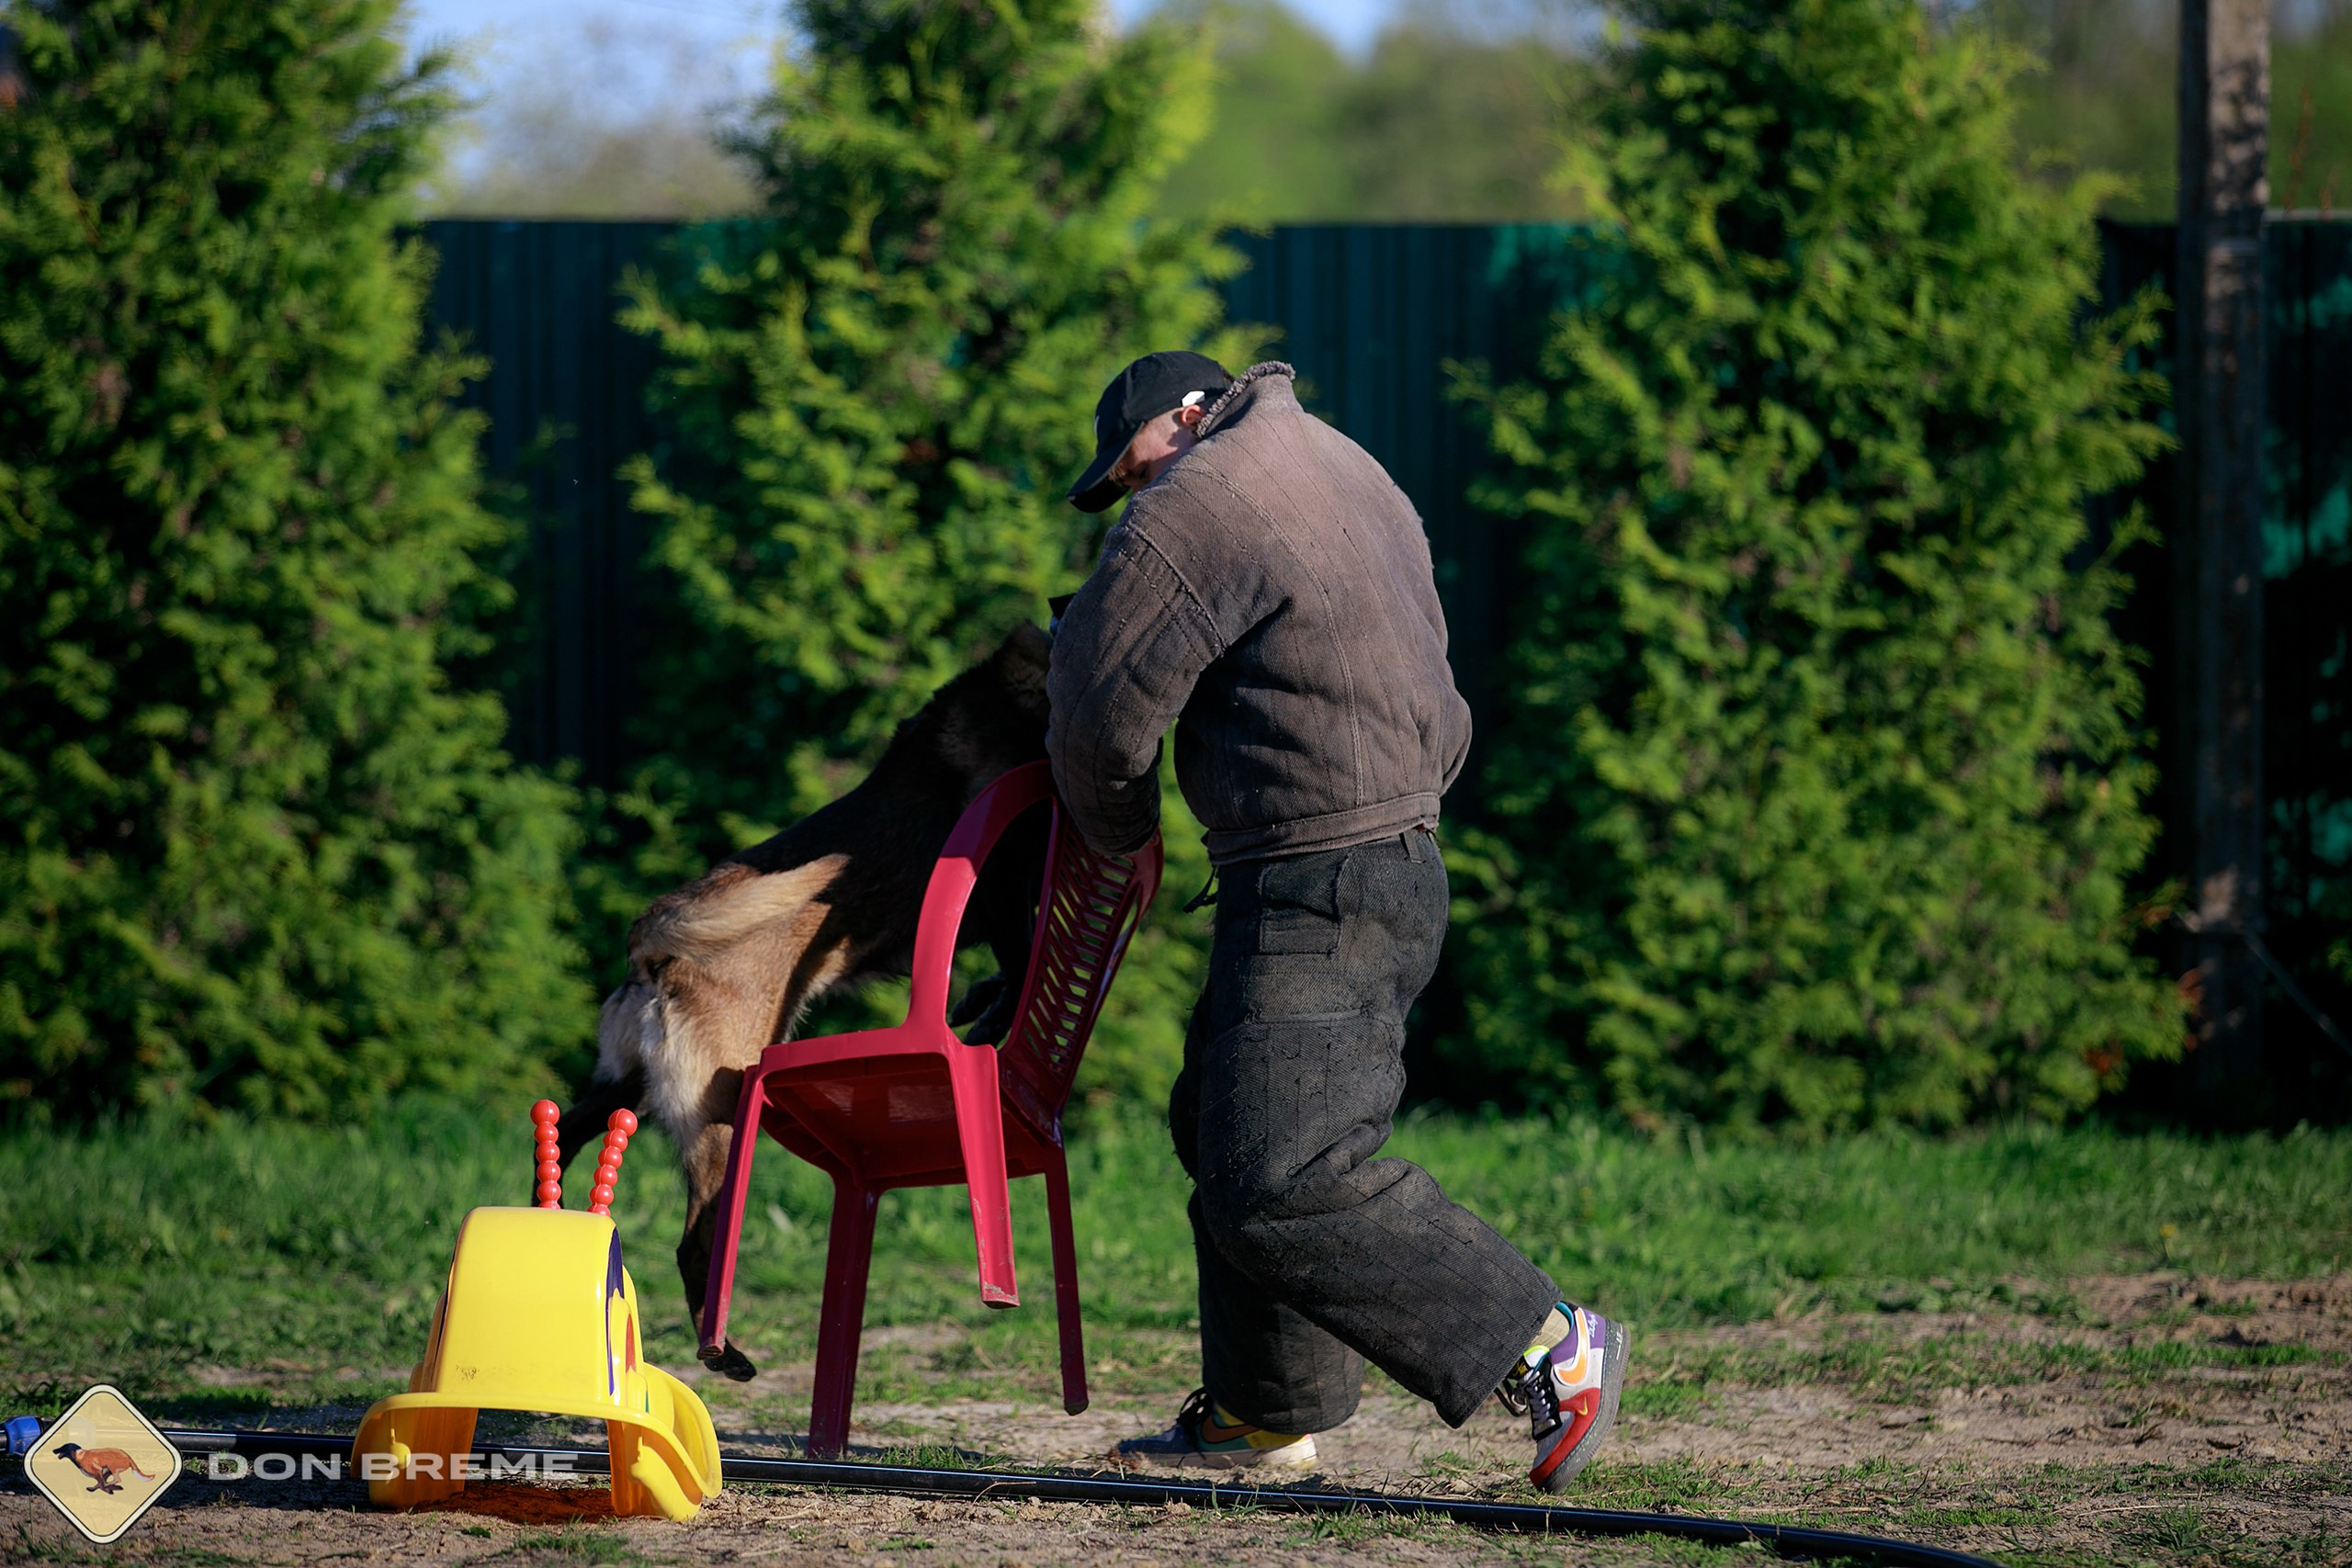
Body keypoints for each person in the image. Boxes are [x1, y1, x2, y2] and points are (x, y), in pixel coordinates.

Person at [1044, 351, 1629, 1491]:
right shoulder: (1347, 467)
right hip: (1392, 853)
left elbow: (1098, 711)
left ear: (1185, 418)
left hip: (1319, 871)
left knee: (1282, 1172)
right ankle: (1265, 1409)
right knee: (1222, 1122)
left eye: (1130, 467)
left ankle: (1548, 1342)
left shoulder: (1199, 500)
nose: (1129, 494)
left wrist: (1116, 838)